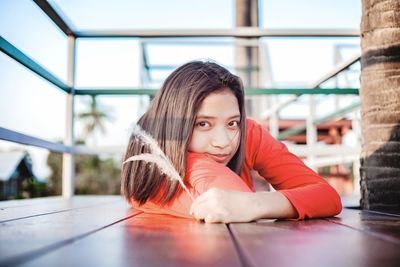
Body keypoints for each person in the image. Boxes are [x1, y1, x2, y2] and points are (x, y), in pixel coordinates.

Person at [121, 60, 342, 223]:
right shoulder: (152, 163)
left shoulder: (249, 133)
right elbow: (229, 196)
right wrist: (196, 162)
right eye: (203, 124)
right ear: (175, 126)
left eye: (232, 123)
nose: (223, 142)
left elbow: (328, 196)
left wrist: (257, 204)